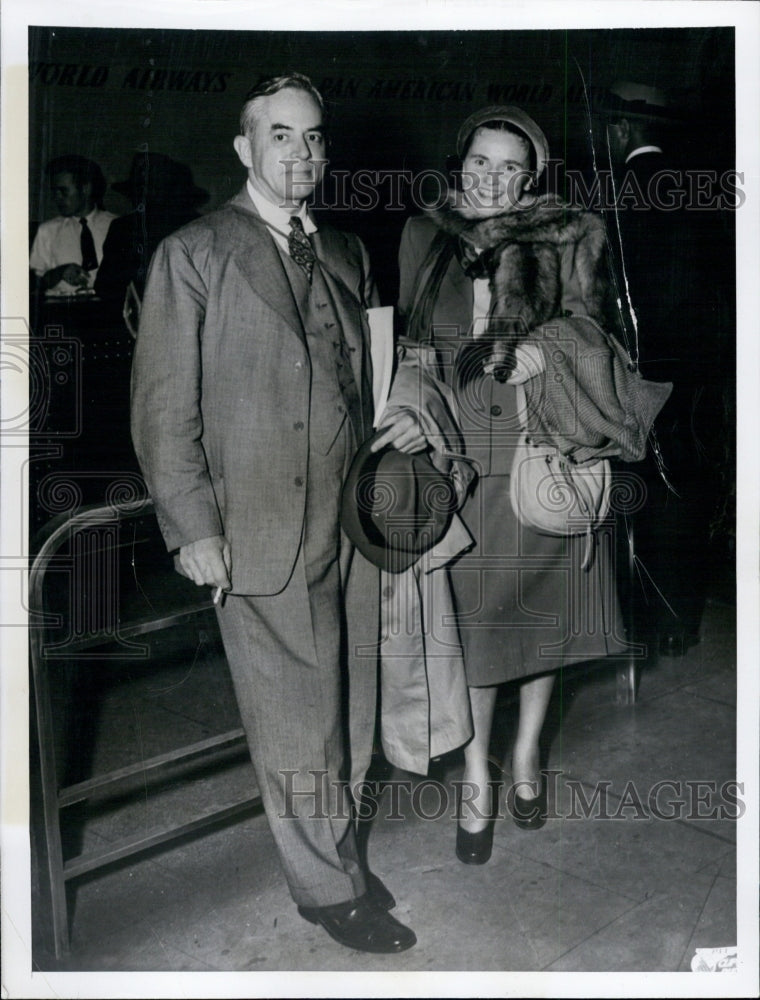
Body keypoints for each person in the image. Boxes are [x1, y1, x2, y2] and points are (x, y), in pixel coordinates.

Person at [131, 73, 424, 954]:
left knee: (349, 702)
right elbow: (160, 408)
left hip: (351, 517)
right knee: (294, 716)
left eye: (314, 138)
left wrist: (397, 413)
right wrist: (193, 529)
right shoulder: (196, 251)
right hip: (258, 522)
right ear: (245, 148)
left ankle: (341, 848)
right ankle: (325, 888)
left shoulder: (340, 250)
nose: (303, 153)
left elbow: (360, 369)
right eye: (282, 136)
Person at [397, 105, 661, 864]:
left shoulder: (571, 233)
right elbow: (410, 345)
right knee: (476, 630)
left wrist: (548, 353)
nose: (491, 179)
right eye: (480, 162)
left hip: (537, 444)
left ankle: (526, 756)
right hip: (458, 453)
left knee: (541, 619)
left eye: (509, 167)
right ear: (460, 163)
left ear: (532, 175)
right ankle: (478, 773)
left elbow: (600, 334)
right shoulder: (426, 235)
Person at [593, 81, 731, 656]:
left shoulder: (615, 196)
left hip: (641, 370)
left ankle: (645, 625)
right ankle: (681, 620)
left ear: (622, 132)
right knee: (691, 484)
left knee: (645, 489)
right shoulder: (704, 192)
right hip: (702, 370)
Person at [95, 152, 208, 329]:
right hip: (165, 327)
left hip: (154, 329)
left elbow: (105, 287)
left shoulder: (196, 227)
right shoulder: (123, 228)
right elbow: (105, 285)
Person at [30, 154, 117, 295]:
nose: (57, 198)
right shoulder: (47, 231)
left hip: (107, 311)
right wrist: (58, 273)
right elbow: (32, 284)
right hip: (61, 311)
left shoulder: (117, 226)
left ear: (85, 189)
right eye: (54, 192)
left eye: (63, 191)